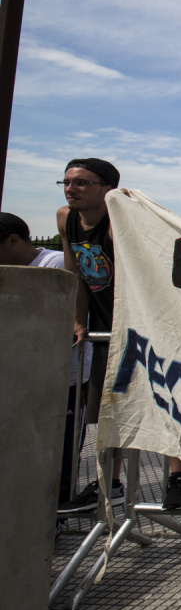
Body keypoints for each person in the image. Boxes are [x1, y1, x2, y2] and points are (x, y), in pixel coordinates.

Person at [0, 213, 92, 531]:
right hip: (22, 376)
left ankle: (55, 519)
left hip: (63, 375)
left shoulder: (55, 266)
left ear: (13, 240)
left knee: (62, 450)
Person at [54, 158, 127, 513]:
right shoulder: (65, 219)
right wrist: (78, 319)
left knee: (137, 411)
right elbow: (75, 273)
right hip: (102, 330)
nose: (71, 189)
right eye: (67, 182)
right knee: (100, 413)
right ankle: (107, 484)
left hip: (132, 328)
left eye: (82, 183)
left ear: (107, 189)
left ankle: (115, 484)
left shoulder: (116, 223)